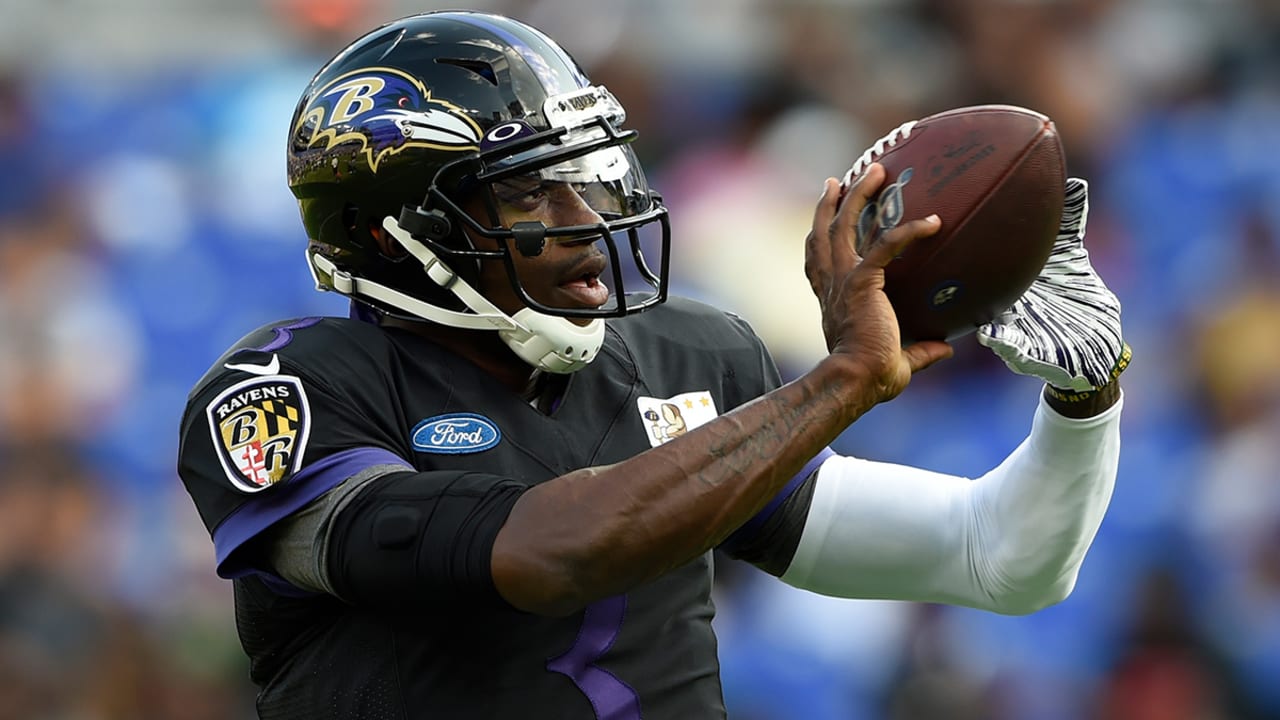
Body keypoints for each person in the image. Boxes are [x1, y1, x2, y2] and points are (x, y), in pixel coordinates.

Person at [176, 10, 1128, 719]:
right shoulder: (288, 392)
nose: (586, 221)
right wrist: (839, 382)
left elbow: (997, 559)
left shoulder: (688, 355)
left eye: (587, 176)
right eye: (528, 196)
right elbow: (551, 554)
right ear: (396, 238)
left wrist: (1085, 401)